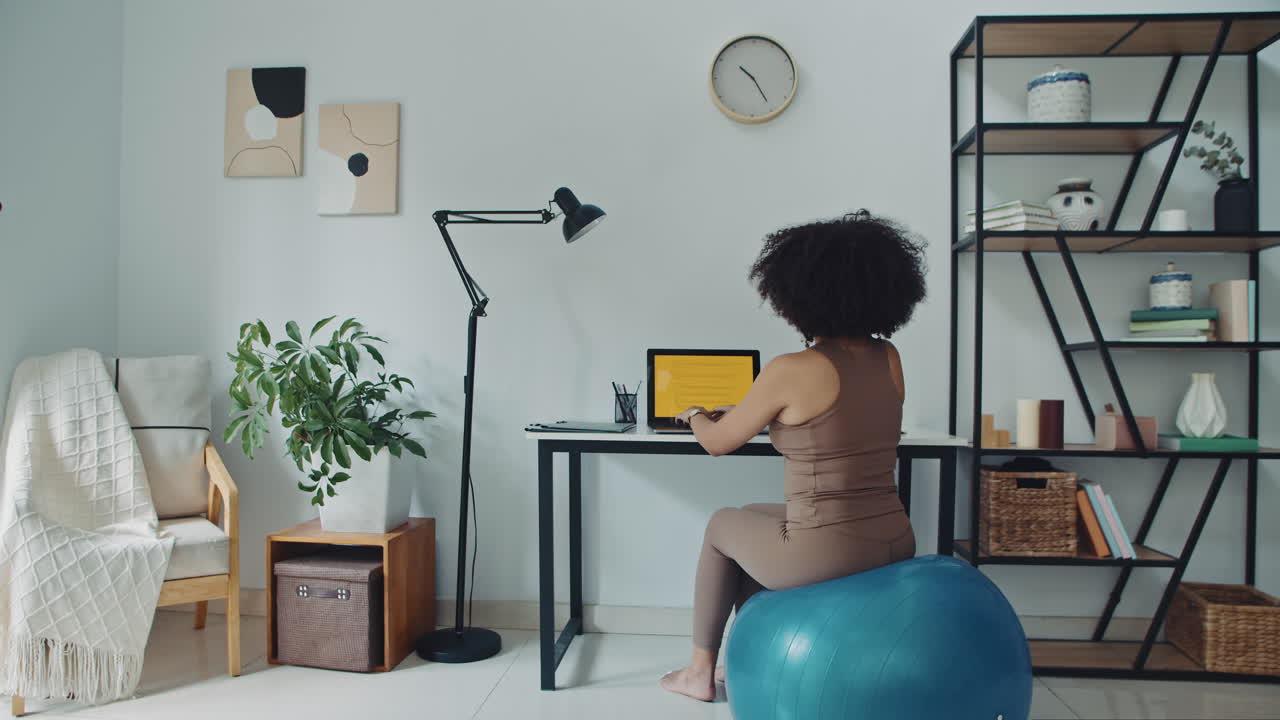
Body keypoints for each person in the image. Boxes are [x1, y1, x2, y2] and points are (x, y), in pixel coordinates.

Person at [659, 210, 928, 702]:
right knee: (753, 517)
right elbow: (845, 418)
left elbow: (717, 443)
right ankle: (748, 655)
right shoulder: (889, 356)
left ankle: (699, 670)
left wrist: (695, 412)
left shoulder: (793, 368)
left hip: (831, 550)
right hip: (893, 537)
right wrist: (763, 412)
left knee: (722, 524)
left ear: (798, 295)